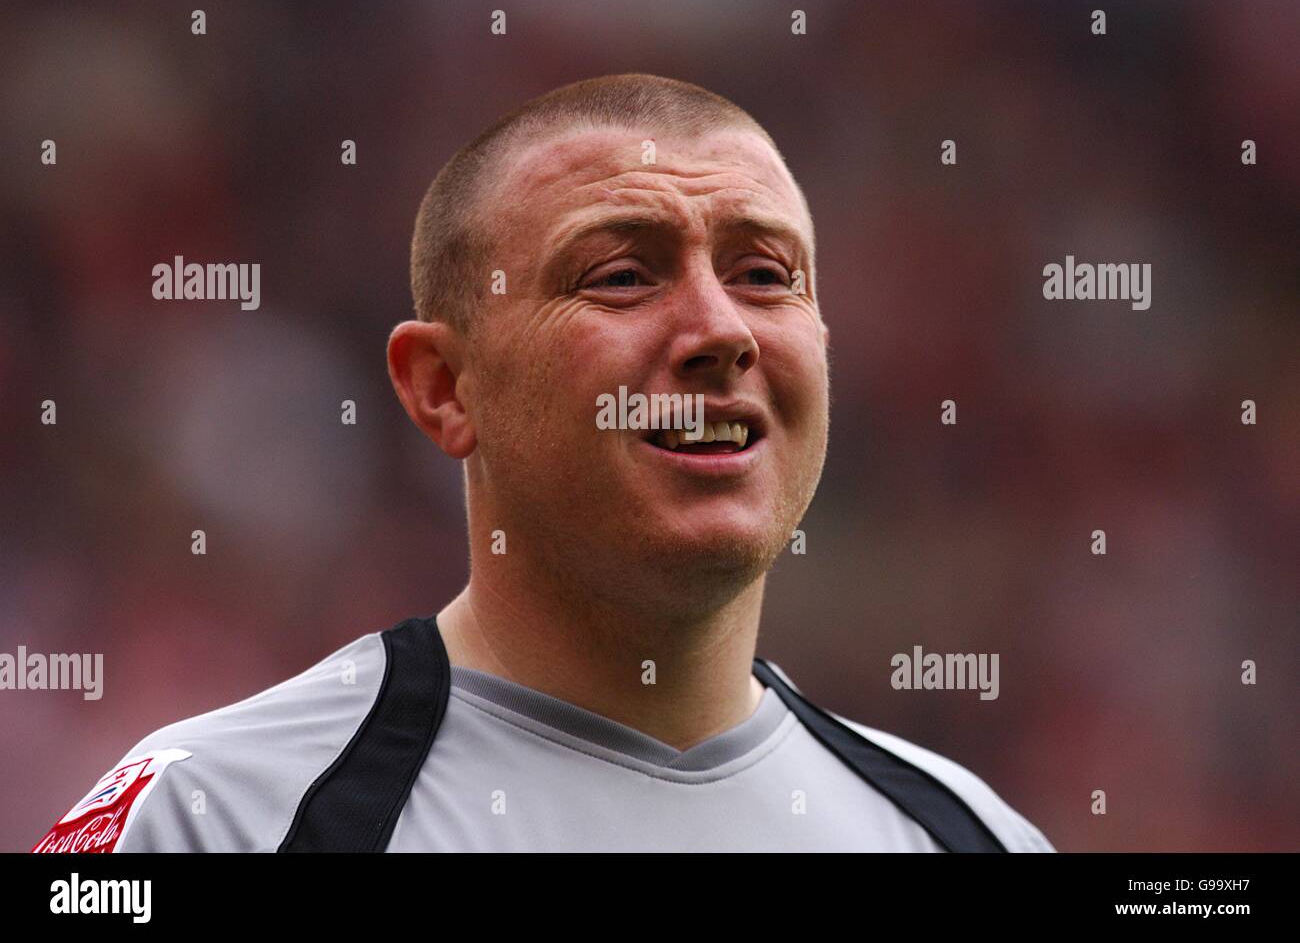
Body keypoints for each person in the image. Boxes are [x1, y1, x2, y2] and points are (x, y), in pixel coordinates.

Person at [33, 73, 1054, 852]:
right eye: (619, 275)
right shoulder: (213, 818)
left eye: (762, 273)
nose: (720, 329)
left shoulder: (972, 836)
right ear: (443, 386)